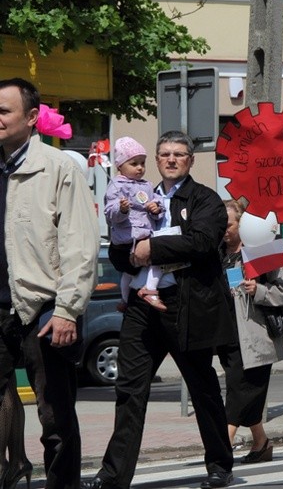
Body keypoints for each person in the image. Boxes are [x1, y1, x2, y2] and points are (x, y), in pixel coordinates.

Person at [81, 131, 236, 489]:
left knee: (203, 387)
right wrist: (131, 253)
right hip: (142, 307)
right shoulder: (139, 193)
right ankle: (113, 475)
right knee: (130, 389)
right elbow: (120, 244)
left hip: (187, 307)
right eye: (164, 154)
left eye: (179, 154)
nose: (171, 160)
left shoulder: (205, 199)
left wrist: (152, 249)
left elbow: (201, 241)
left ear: (190, 160)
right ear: (156, 158)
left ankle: (219, 464)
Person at [0, 78, 99, 489]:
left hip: (44, 308)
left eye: (4, 110)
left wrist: (67, 309)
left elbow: (80, 244)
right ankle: (14, 465)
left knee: (55, 416)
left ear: (32, 117)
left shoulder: (58, 167)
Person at [217, 198, 283, 462]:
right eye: (221, 225)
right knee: (243, 388)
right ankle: (261, 443)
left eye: (228, 224)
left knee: (242, 390)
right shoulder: (218, 253)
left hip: (255, 334)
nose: (224, 230)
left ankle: (222, 448)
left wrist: (258, 290)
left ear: (242, 224)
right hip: (225, 334)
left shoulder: (261, 250)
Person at [103, 136, 166, 312]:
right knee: (156, 261)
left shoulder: (147, 185)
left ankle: (128, 298)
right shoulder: (116, 185)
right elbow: (110, 213)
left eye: (142, 163)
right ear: (120, 166)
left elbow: (157, 203)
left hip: (144, 234)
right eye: (134, 163)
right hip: (127, 237)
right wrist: (121, 209)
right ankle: (148, 290)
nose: (140, 168)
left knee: (131, 272)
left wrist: (156, 208)